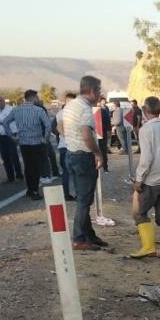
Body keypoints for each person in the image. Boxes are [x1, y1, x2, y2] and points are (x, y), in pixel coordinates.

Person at [129, 96, 160, 259]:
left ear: (145, 111)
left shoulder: (146, 130)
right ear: (159, 110)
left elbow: (147, 158)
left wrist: (139, 179)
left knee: (139, 213)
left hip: (151, 181)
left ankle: (148, 247)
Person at [62, 76, 108, 251]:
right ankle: (79, 238)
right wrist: (98, 154)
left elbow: (60, 127)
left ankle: (88, 234)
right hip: (83, 156)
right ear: (92, 90)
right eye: (99, 90)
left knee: (83, 198)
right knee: (84, 200)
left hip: (71, 154)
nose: (100, 94)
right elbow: (87, 135)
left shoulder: (71, 105)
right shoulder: (85, 109)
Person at [2, 90, 50, 199]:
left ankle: (30, 189)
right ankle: (34, 191)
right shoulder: (38, 110)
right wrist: (45, 138)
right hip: (36, 142)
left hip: (23, 143)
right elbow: (48, 125)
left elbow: (5, 122)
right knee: (36, 168)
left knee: (28, 167)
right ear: (33, 98)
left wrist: (12, 136)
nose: (37, 99)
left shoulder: (16, 110)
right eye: (36, 97)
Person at [0, 96, 22, 182]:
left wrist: (0, 121)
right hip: (0, 136)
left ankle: (19, 175)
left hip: (10, 135)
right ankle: (10, 177)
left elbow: (11, 120)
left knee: (14, 156)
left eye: (0, 101)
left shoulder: (10, 109)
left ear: (4, 101)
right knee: (5, 157)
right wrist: (1, 121)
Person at [55, 93, 77, 200]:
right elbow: (59, 128)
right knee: (73, 172)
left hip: (65, 146)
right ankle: (74, 194)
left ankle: (67, 195)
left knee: (67, 172)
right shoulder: (65, 114)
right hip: (69, 146)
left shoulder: (61, 113)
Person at [94, 97, 110, 169]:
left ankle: (95, 166)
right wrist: (109, 131)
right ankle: (105, 167)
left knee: (94, 150)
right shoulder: (104, 111)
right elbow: (108, 122)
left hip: (94, 134)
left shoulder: (90, 111)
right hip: (103, 133)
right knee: (103, 150)